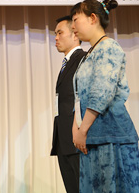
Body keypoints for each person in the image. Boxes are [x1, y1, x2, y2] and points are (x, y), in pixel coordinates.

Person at [70, 0, 139, 192]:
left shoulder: (108, 47)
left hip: (111, 136)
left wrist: (82, 130)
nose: (72, 26)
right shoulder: (90, 53)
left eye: (76, 19)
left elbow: (101, 93)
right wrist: (77, 129)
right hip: (92, 136)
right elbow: (78, 96)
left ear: (93, 18)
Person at [50, 15, 86, 193]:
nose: (55, 38)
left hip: (77, 140)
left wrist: (81, 131)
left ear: (74, 34)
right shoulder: (67, 62)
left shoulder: (83, 59)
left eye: (59, 33)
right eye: (55, 34)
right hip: (63, 140)